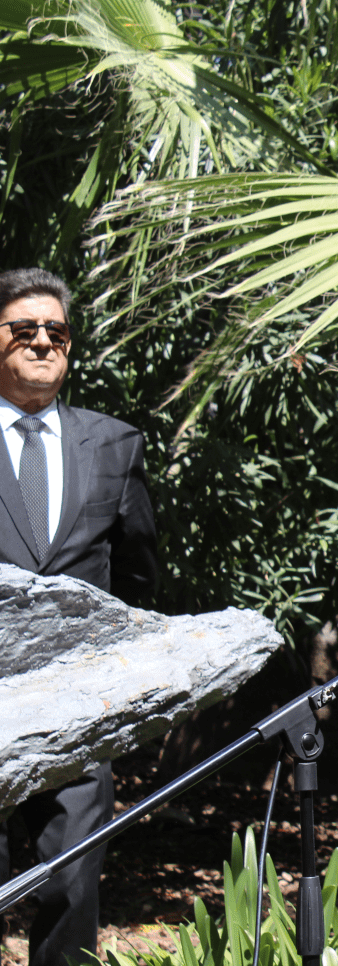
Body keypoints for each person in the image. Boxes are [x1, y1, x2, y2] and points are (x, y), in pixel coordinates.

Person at [0, 268, 157, 966]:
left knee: (71, 882)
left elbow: (139, 574)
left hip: (79, 707)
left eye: (56, 332)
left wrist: (123, 682)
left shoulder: (114, 444)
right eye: (23, 329)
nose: (42, 342)